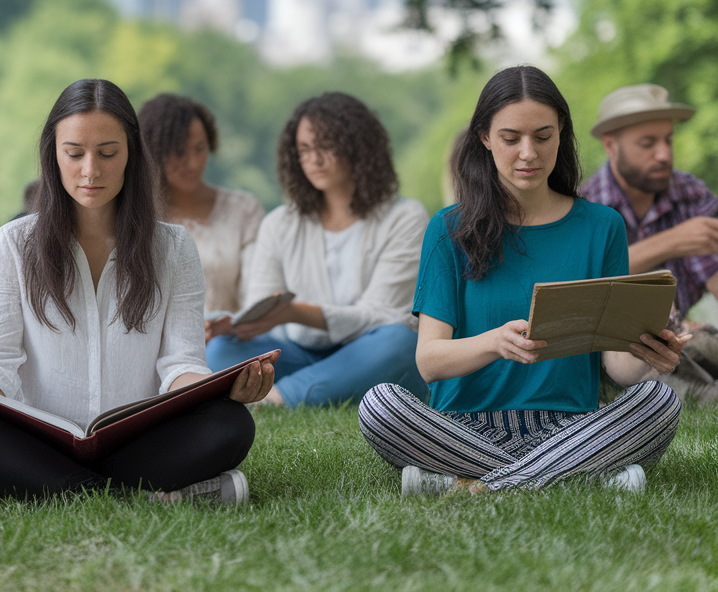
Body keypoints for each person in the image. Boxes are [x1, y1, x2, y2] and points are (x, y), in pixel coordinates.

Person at [0, 79, 276, 503]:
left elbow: (182, 362)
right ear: (53, 155)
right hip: (38, 436)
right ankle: (141, 494)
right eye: (74, 154)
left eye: (107, 153)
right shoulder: (11, 244)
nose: (90, 170)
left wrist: (220, 389)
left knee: (231, 423)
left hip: (139, 440)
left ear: (131, 153)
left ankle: (23, 485)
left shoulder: (173, 247)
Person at [359, 66, 684, 495]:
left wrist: (647, 353)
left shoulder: (603, 226)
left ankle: (473, 485)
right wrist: (495, 342)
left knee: (658, 400)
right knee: (379, 405)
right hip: (465, 431)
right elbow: (430, 361)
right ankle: (578, 476)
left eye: (543, 137)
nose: (528, 153)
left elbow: (615, 365)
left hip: (568, 428)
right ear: (485, 138)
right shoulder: (447, 228)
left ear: (562, 133)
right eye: (511, 139)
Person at [206, 92, 430, 407]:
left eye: (326, 146)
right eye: (305, 150)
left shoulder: (405, 216)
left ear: (358, 148)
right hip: (298, 354)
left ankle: (280, 398)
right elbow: (263, 305)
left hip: (370, 351)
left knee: (402, 342)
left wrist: (296, 312)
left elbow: (382, 316)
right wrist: (232, 323)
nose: (314, 159)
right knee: (220, 349)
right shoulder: (279, 223)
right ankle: (320, 387)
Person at [580, 84, 718, 326]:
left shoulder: (690, 193)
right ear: (610, 146)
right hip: (603, 354)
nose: (664, 154)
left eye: (668, 140)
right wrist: (672, 241)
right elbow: (581, 284)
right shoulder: (583, 208)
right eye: (647, 143)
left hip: (682, 341)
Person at [138, 94, 264, 314]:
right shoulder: (138, 216)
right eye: (179, 152)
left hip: (229, 340)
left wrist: (233, 328)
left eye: (199, 148)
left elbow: (256, 292)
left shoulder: (244, 210)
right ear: (153, 152)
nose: (193, 163)